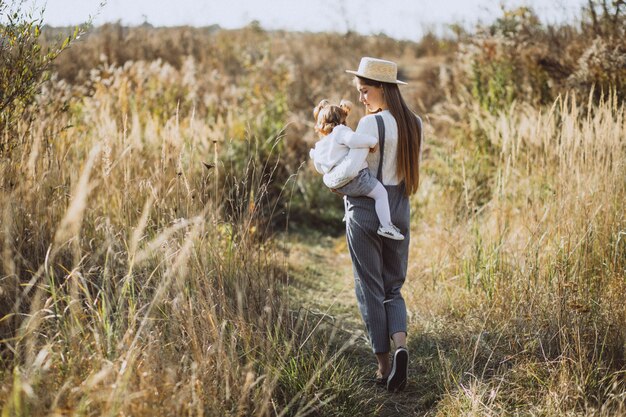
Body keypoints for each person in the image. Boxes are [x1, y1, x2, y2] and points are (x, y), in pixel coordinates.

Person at [340, 57, 423, 392]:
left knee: (370, 288)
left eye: (365, 91)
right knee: (393, 287)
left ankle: (383, 366)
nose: (362, 98)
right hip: (399, 206)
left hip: (366, 210)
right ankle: (401, 344)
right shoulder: (416, 123)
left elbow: (352, 172)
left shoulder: (369, 125)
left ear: (382, 88)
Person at [309, 99, 405, 240]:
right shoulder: (339, 131)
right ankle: (386, 226)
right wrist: (372, 142)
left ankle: (348, 211)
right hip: (357, 178)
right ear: (340, 120)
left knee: (349, 190)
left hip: (340, 186)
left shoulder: (321, 144)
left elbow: (320, 168)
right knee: (380, 194)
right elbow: (354, 140)